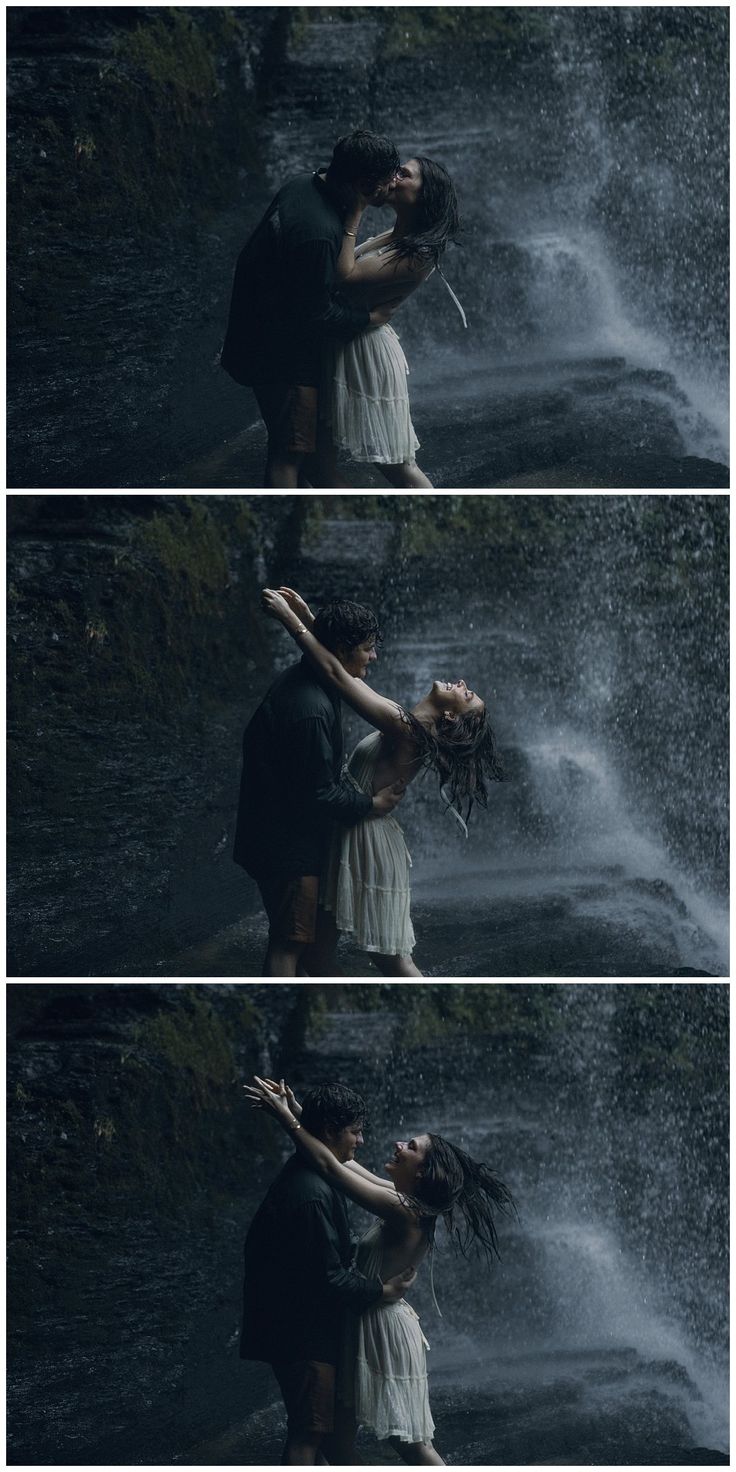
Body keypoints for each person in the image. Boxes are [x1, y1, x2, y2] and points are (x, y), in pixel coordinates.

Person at [245, 1075, 515, 1467]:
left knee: (409, 1442)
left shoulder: (406, 1210)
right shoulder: (400, 1198)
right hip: (369, 1318)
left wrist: (284, 1117)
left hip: (383, 1327)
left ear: (422, 1171)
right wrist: (307, 1115)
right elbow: (343, 1159)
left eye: (411, 1147)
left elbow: (329, 1164)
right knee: (338, 1440)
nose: (398, 1144)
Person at [261, 587, 502, 977]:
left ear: (453, 718)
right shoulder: (403, 717)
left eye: (467, 693)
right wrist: (311, 619)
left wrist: (291, 620)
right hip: (353, 827)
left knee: (392, 958)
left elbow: (336, 673)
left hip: (366, 836)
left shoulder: (407, 730)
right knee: (316, 955)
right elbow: (341, 666)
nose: (461, 682)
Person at [239, 1082, 417, 1466]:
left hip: (307, 1324)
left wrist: (295, 1114)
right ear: (331, 1133)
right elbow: (329, 1278)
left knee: (320, 1428)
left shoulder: (322, 1173)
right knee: (311, 1431)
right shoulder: (312, 1193)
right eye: (355, 1131)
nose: (363, 1140)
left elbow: (329, 1155)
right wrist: (381, 1290)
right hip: (301, 1331)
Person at [233, 597, 405, 977]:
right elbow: (320, 792)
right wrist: (370, 803)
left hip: (285, 835)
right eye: (368, 648)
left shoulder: (314, 681)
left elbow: (330, 660)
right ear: (341, 652)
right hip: (286, 846)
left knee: (297, 938)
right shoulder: (309, 708)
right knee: (289, 942)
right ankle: (281, 1015)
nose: (374, 657)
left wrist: (307, 620)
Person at [221, 130, 403, 488]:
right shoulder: (316, 231)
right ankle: (279, 533)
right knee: (290, 452)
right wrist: (369, 319)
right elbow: (316, 312)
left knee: (307, 454)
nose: (394, 184)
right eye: (387, 180)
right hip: (283, 356)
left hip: (265, 336)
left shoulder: (303, 185)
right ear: (364, 183)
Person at [316, 157, 463, 490]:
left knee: (398, 466)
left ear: (426, 194)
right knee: (315, 457)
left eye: (404, 174)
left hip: (365, 355)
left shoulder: (419, 252)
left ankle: (434, 526)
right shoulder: (398, 234)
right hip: (344, 340)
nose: (393, 177)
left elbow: (347, 276)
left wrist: (357, 209)